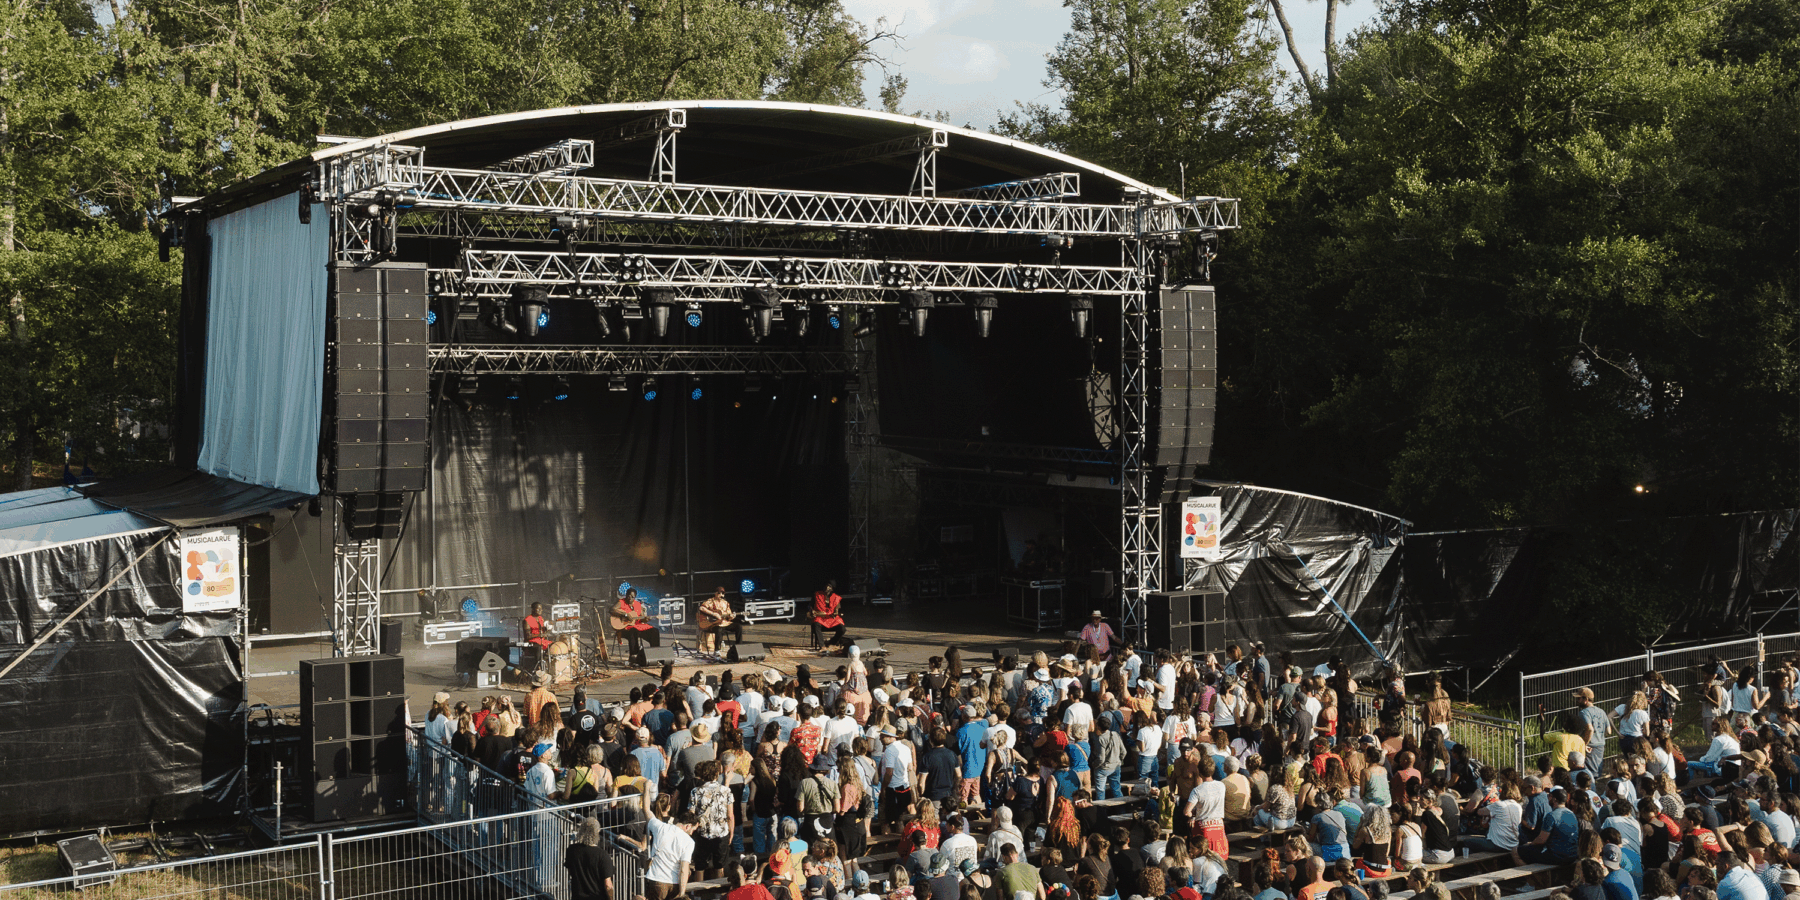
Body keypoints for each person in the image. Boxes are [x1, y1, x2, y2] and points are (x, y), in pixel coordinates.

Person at [566, 816, 614, 900]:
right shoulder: (602, 855)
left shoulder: (572, 850)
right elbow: (608, 885)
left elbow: (570, 871)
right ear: (597, 832)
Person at [613, 588, 660, 665]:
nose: (630, 598)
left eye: (632, 597)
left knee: (654, 631)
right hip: (625, 628)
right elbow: (612, 610)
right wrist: (625, 614)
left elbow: (642, 618)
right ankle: (634, 657)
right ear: (626, 595)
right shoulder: (621, 602)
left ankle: (655, 656)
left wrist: (645, 619)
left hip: (638, 626)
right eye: (629, 596)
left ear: (635, 597)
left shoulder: (638, 604)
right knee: (633, 631)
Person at [698, 587, 744, 654]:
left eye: (722, 593)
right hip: (714, 624)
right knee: (719, 630)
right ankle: (717, 651)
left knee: (738, 627)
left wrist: (731, 617)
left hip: (724, 623)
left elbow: (728, 615)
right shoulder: (711, 601)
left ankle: (739, 648)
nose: (721, 595)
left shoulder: (726, 603)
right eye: (719, 593)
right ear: (715, 593)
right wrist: (713, 614)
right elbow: (702, 608)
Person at [811, 581, 848, 650]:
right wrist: (811, 611)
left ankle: (831, 643)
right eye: (826, 585)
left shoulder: (836, 597)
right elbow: (810, 606)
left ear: (832, 588)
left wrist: (835, 613)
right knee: (816, 624)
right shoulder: (817, 595)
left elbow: (837, 610)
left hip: (831, 619)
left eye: (829, 586)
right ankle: (822, 646)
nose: (827, 587)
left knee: (842, 629)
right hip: (820, 617)